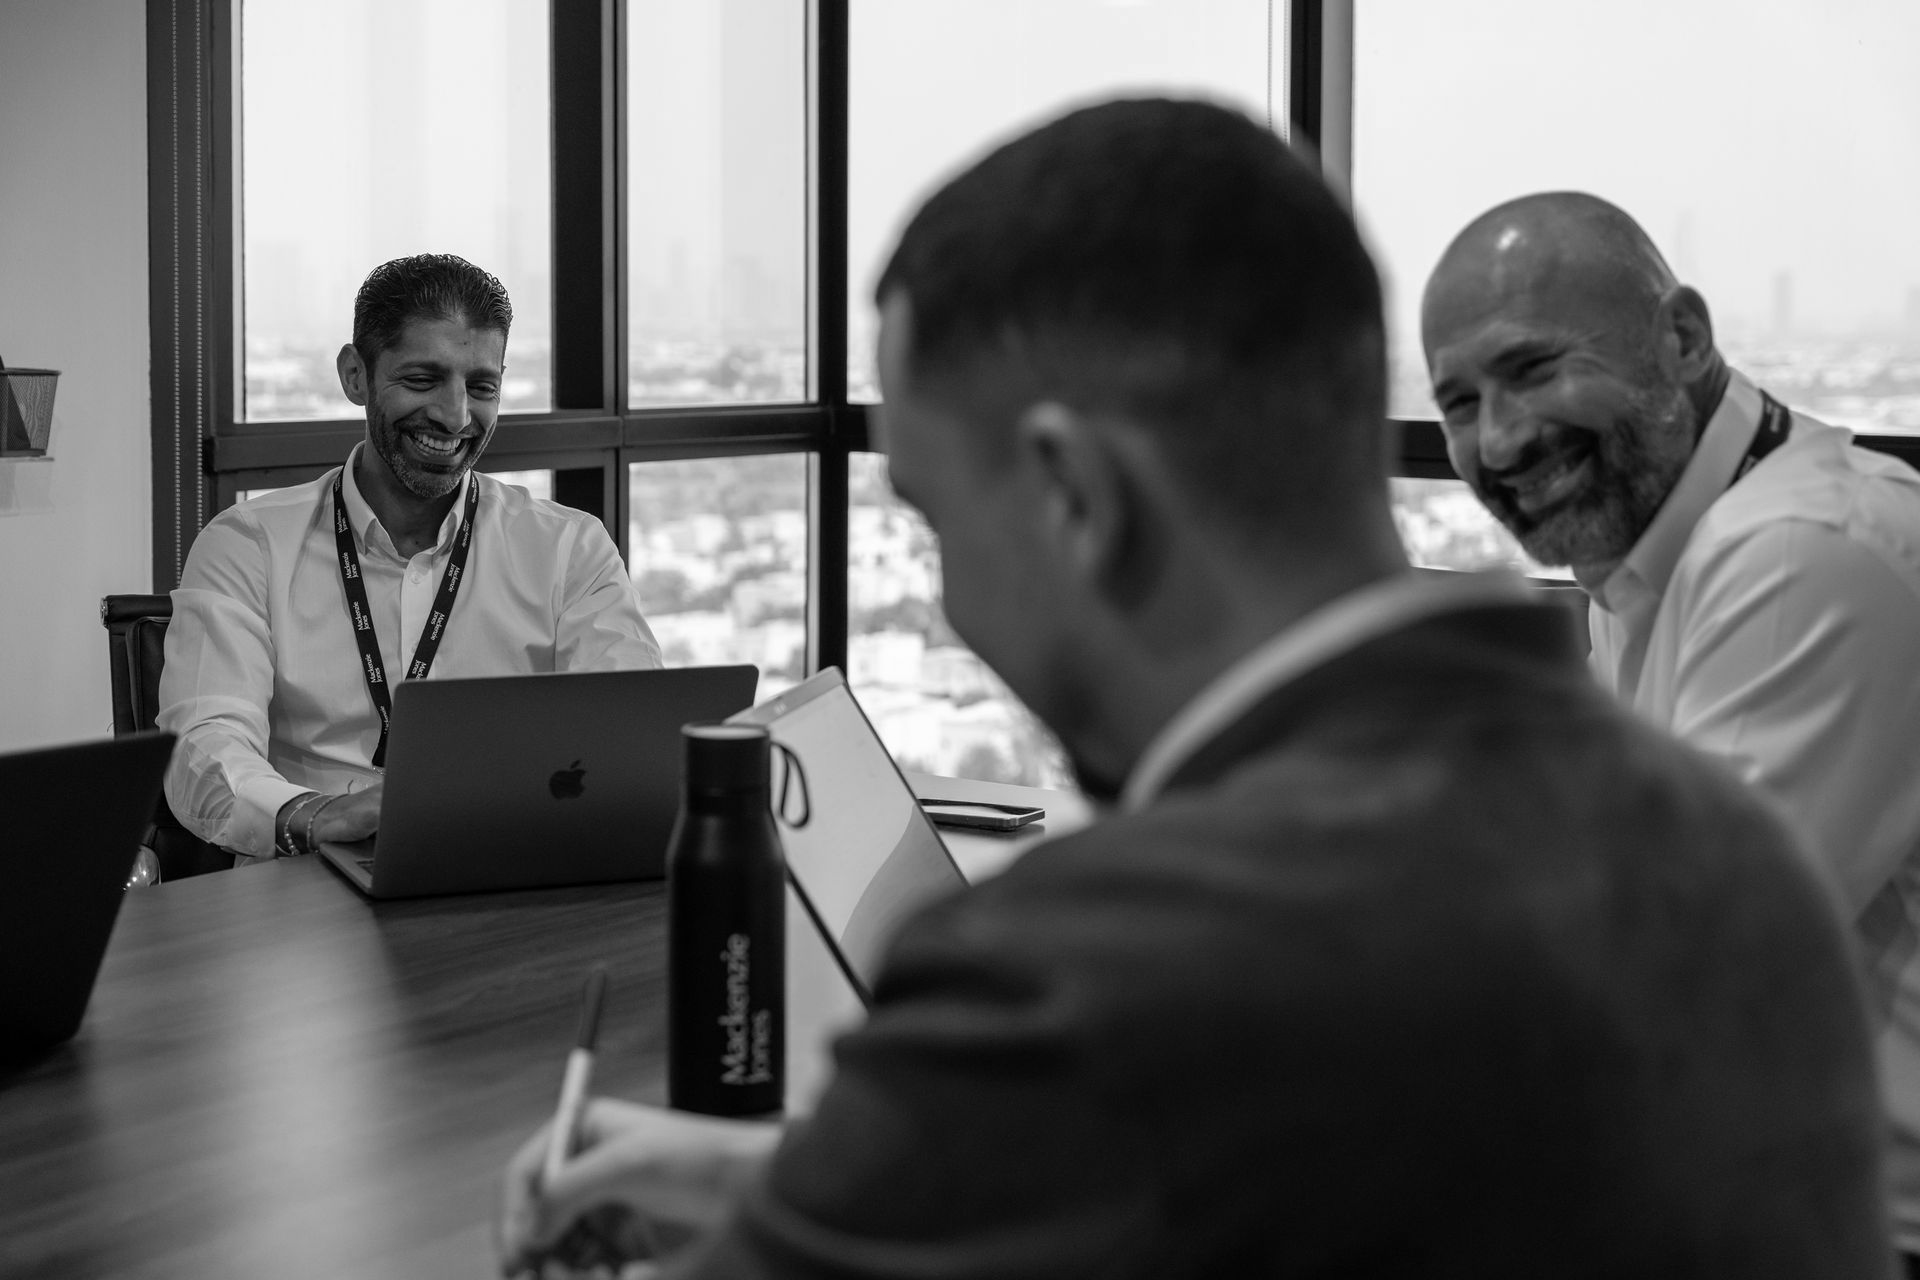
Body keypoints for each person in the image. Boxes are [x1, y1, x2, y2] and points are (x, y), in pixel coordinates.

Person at [499, 103, 1891, 1278]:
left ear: (1073, 494)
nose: (949, 604)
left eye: (938, 523)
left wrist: (872, 1159)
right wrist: (820, 1173)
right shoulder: (1725, 845)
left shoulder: (1081, 978)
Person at [1422, 191, 1920, 1267]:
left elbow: (1662, 985)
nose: (1498, 442)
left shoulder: (1795, 550)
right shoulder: (1652, 545)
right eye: (1458, 403)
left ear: (1682, 338)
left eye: (1534, 370)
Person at [158, 254, 660, 861]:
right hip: (303, 878)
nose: (454, 416)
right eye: (422, 380)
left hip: (502, 870)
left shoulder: (569, 549)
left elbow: (630, 735)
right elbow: (203, 743)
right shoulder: (247, 545)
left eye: (481, 387)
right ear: (355, 376)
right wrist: (311, 817)